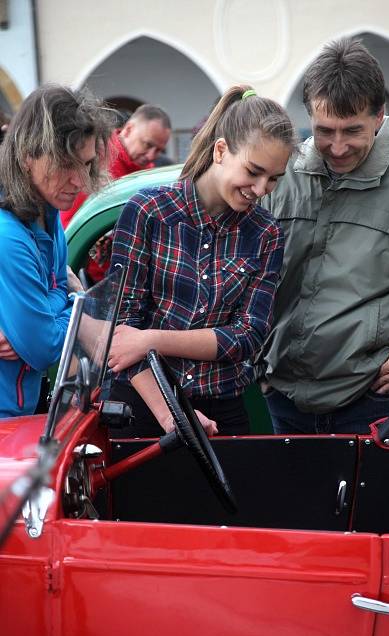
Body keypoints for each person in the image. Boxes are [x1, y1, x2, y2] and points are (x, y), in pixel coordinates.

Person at [259, 37, 389, 435]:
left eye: (351, 130)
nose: (337, 147)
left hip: (375, 402)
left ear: (379, 116)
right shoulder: (286, 174)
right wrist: (260, 367)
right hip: (282, 400)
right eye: (325, 131)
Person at [107, 85, 296, 437]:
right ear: (221, 150)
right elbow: (119, 336)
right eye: (253, 171)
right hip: (143, 405)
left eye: (273, 179)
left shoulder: (266, 233)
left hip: (223, 410)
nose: (260, 188)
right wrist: (171, 413)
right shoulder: (149, 211)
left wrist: (151, 339)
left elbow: (248, 336)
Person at [0, 84, 114, 417]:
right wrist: (77, 306)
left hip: (21, 409)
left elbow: (48, 317)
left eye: (86, 165)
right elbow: (45, 347)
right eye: (66, 164)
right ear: (26, 157)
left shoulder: (47, 220)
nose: (79, 181)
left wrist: (52, 305)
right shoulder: (9, 235)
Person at [60, 104, 172, 229]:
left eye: (158, 150)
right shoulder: (95, 157)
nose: (151, 156)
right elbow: (70, 224)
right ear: (128, 130)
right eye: (147, 144)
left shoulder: (149, 176)